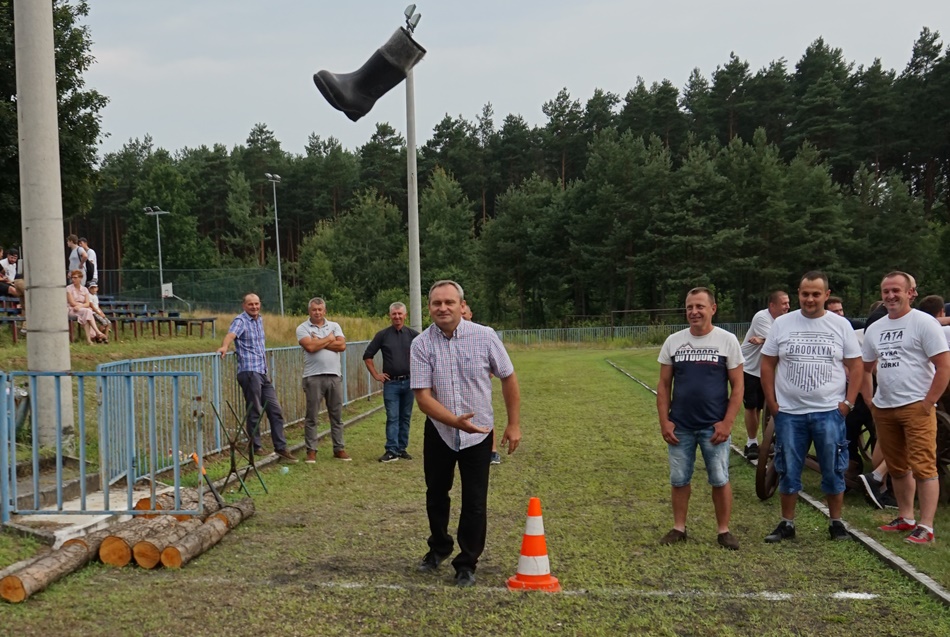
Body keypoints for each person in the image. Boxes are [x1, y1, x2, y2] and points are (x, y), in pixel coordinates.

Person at [411, 280, 521, 587]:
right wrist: (454, 421)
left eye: (449, 302)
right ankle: (439, 547)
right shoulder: (421, 344)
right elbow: (423, 398)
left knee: (475, 500)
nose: (442, 308)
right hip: (440, 431)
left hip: (479, 433)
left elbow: (508, 377)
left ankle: (467, 562)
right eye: (436, 303)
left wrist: (513, 424)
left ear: (462, 305)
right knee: (436, 494)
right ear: (429, 307)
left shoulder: (484, 337)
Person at [761, 271, 863, 543]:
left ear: (826, 296)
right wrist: (772, 402)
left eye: (816, 294)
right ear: (798, 294)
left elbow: (856, 365)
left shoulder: (840, 326)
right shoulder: (782, 324)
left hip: (829, 411)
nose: (809, 299)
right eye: (805, 293)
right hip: (790, 413)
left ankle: (836, 523)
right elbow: (767, 364)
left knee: (833, 468)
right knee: (788, 468)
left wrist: (848, 403)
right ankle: (787, 523)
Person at [863, 273, 950, 545]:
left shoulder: (924, 323)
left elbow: (943, 366)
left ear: (911, 293)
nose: (890, 296)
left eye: (896, 290)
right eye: (886, 291)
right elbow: (865, 368)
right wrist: (870, 401)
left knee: (924, 467)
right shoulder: (876, 328)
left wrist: (928, 403)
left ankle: (926, 526)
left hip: (916, 406)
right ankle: (906, 517)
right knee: (898, 467)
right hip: (885, 407)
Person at [656, 287, 744, 550]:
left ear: (712, 309)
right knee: (679, 479)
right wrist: (665, 421)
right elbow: (663, 385)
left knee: (719, 478)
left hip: (713, 427)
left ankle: (723, 531)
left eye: (700, 306)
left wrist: (727, 423)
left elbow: (738, 387)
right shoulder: (673, 341)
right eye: (689, 307)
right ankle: (679, 528)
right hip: (680, 426)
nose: (694, 312)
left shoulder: (727, 341)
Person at [217, 293, 297, 463]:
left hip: (262, 371)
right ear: (244, 306)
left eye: (256, 304)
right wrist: (225, 346)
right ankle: (255, 446)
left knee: (275, 409)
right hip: (249, 371)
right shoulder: (241, 320)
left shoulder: (259, 320)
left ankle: (281, 447)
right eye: (250, 304)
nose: (254, 307)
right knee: (255, 410)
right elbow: (231, 334)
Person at [363, 302, 419, 463]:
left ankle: (402, 449)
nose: (397, 316)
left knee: (405, 416)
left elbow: (426, 355)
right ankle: (391, 450)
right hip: (391, 384)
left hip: (409, 382)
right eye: (394, 314)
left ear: (405, 315)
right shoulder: (383, 335)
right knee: (393, 416)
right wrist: (376, 375)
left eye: (400, 314)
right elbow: (367, 356)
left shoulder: (414, 335)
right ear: (390, 315)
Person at [296, 297, 349, 462]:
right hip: (313, 377)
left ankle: (339, 448)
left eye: (320, 310)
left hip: (334, 376)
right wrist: (329, 339)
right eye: (314, 310)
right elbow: (310, 347)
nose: (317, 312)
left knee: (337, 414)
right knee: (312, 416)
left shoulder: (335, 326)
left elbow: (342, 346)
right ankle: (311, 450)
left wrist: (319, 341)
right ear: (309, 311)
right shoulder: (302, 328)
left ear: (324, 311)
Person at [739, 290, 790, 460]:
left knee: (764, 406)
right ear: (772, 306)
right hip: (749, 367)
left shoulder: (785, 321)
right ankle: (751, 442)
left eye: (788, 303)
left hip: (766, 370)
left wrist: (762, 340)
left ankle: (769, 441)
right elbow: (779, 341)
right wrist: (765, 340)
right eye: (784, 303)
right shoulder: (762, 317)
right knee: (751, 406)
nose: (788, 307)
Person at [460, 301, 501, 465]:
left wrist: (489, 371)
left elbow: (495, 364)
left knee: (484, 418)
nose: (462, 318)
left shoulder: (483, 334)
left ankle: (493, 450)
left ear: (470, 315)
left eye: (465, 314)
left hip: (479, 389)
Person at [66, 270, 108, 345]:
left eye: (75, 278)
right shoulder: (68, 288)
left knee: (86, 313)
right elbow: (72, 302)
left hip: (82, 310)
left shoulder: (85, 289)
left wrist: (80, 306)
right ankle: (97, 332)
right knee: (87, 312)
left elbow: (87, 303)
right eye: (72, 278)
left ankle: (89, 340)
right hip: (72, 310)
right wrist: (79, 306)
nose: (73, 279)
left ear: (80, 278)